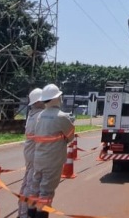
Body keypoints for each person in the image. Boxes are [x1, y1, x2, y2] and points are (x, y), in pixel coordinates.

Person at [27, 84, 75, 218]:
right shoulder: (61, 117)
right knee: (46, 192)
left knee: (34, 188)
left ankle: (31, 213)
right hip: (53, 160)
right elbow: (70, 136)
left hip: (39, 158)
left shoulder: (39, 115)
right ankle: (41, 215)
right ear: (56, 98)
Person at [18, 88, 44, 218]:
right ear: (38, 101)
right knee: (31, 185)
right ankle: (25, 214)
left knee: (26, 184)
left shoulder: (33, 115)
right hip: (35, 154)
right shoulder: (39, 116)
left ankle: (22, 212)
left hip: (30, 153)